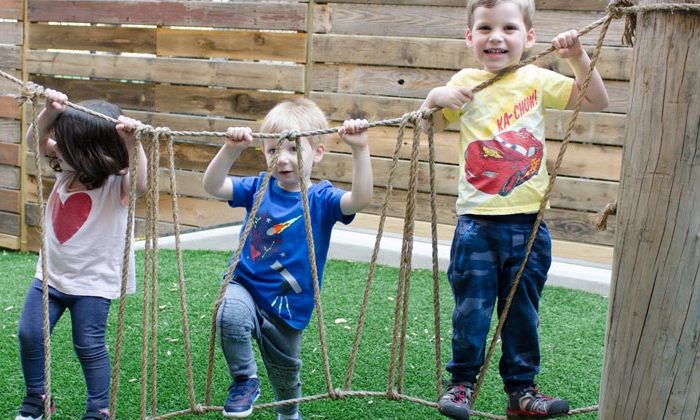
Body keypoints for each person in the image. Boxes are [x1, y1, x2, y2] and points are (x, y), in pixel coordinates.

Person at [420, 1, 609, 419]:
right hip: (477, 224)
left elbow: (596, 100)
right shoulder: (466, 82)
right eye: (485, 27)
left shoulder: (537, 78)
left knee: (522, 312)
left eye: (509, 27)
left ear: (529, 37)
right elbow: (429, 126)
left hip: (529, 223)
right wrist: (435, 97)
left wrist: (577, 57)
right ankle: (460, 385)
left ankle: (521, 392)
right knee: (472, 310)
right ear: (470, 37)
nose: (496, 36)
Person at [202, 98, 373, 419]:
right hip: (245, 284)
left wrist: (360, 150)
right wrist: (230, 150)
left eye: (294, 149)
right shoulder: (258, 187)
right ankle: (244, 380)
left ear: (318, 152)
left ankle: (288, 412)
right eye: (272, 150)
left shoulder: (322, 198)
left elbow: (360, 199)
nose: (282, 159)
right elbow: (213, 186)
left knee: (285, 375)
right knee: (228, 316)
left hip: (289, 304)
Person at [15, 89, 147, 420]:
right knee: (29, 333)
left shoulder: (116, 186)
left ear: (89, 152)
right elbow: (35, 141)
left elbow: (143, 183)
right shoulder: (66, 170)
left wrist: (134, 143)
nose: (54, 147)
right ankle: (37, 398)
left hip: (93, 282)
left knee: (87, 345)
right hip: (50, 275)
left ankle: (98, 409)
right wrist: (50, 113)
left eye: (64, 143)